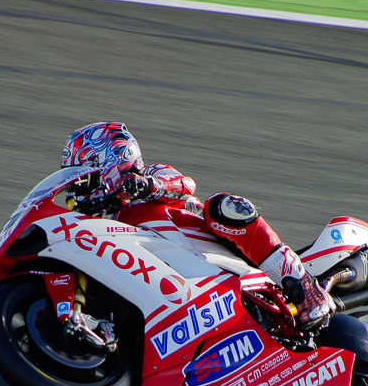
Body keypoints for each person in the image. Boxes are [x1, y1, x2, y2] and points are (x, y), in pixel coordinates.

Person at [61, 122, 333, 331]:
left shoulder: (150, 176)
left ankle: (303, 286)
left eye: (81, 174)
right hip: (177, 294)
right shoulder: (100, 223)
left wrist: (148, 187)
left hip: (220, 258)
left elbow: (185, 184)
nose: (78, 184)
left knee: (222, 207)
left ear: (108, 159)